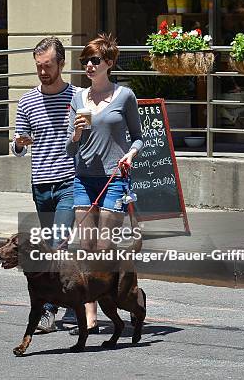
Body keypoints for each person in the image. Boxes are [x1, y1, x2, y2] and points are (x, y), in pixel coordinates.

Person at [65, 33, 143, 335]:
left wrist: (131, 155)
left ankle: (127, 297)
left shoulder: (124, 96)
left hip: (114, 178)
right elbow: (70, 151)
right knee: (84, 247)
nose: (88, 65)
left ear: (109, 63)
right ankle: (90, 315)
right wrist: (75, 133)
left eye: (94, 60)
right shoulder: (78, 98)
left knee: (104, 245)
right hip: (84, 178)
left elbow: (138, 135)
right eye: (85, 60)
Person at [11, 36, 80, 333]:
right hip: (41, 184)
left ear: (61, 64)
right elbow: (17, 145)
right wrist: (18, 143)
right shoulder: (27, 100)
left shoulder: (78, 97)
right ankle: (74, 300)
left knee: (58, 244)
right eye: (38, 66)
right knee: (57, 247)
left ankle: (51, 310)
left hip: (69, 182)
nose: (42, 72)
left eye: (48, 66)